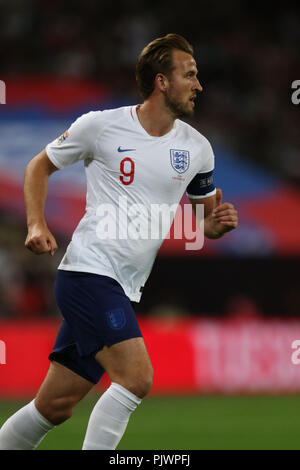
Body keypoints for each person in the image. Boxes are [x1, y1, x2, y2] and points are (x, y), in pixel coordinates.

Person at [0, 33, 238, 450]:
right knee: (136, 377)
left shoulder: (198, 149)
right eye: (190, 74)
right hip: (88, 273)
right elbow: (39, 166)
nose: (199, 85)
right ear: (162, 81)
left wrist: (220, 222)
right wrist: (36, 224)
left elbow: (205, 223)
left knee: (53, 406)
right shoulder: (100, 126)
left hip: (123, 287)